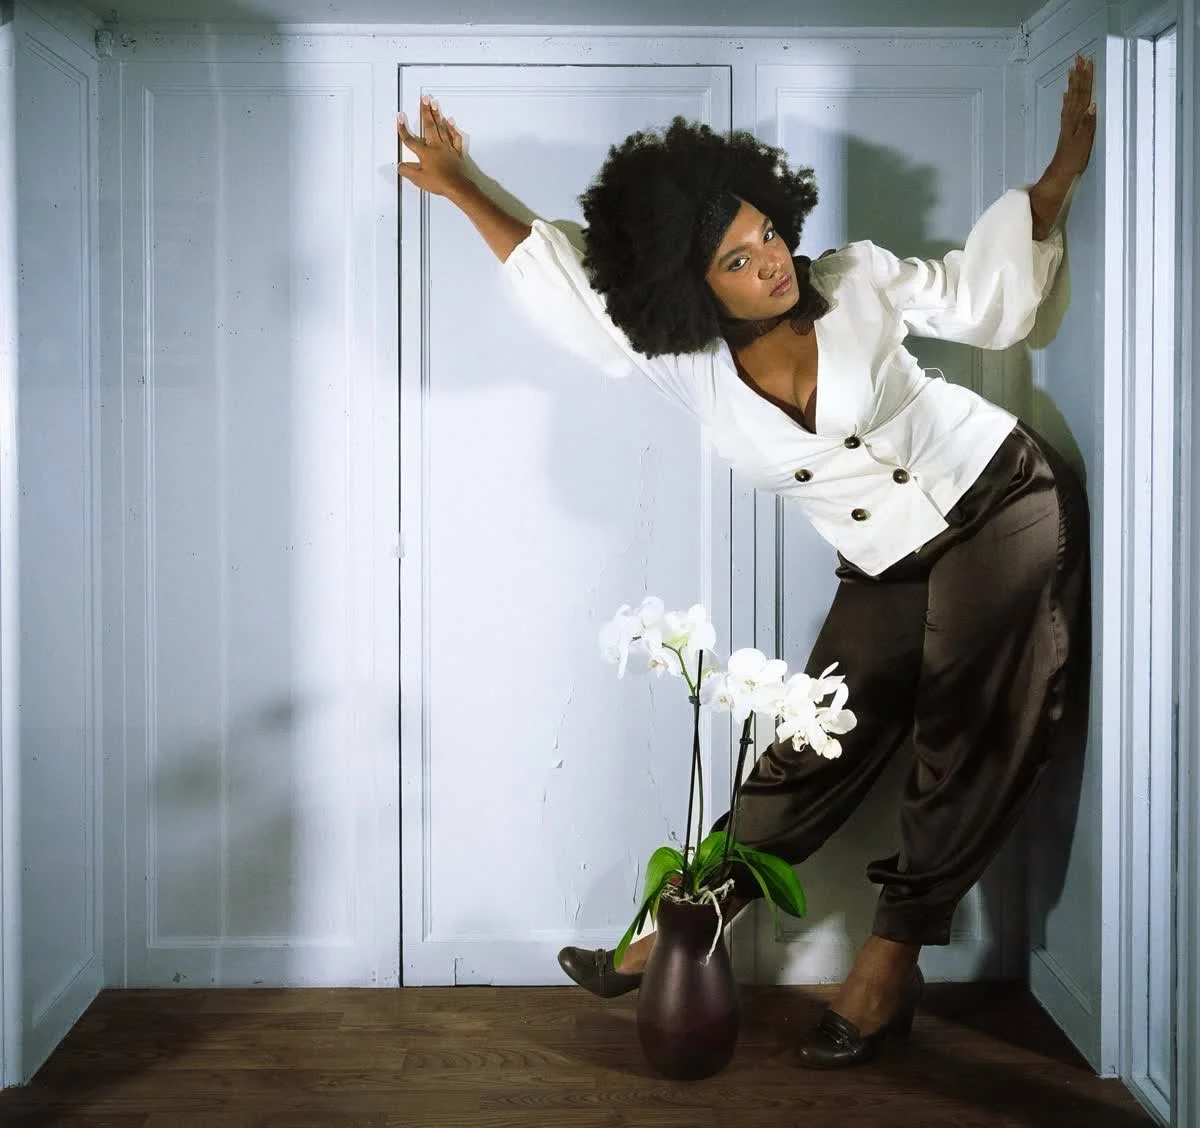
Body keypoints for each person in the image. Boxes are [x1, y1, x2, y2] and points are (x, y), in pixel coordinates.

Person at [397, 54, 1097, 1070]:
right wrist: (465, 184)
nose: (770, 261)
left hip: (1002, 496)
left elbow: (983, 299)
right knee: (819, 733)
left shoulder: (852, 279)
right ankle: (694, 914)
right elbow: (565, 275)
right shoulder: (680, 360)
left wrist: (1059, 175)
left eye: (767, 233)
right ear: (691, 284)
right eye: (736, 258)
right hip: (884, 557)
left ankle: (889, 960)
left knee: (967, 716)